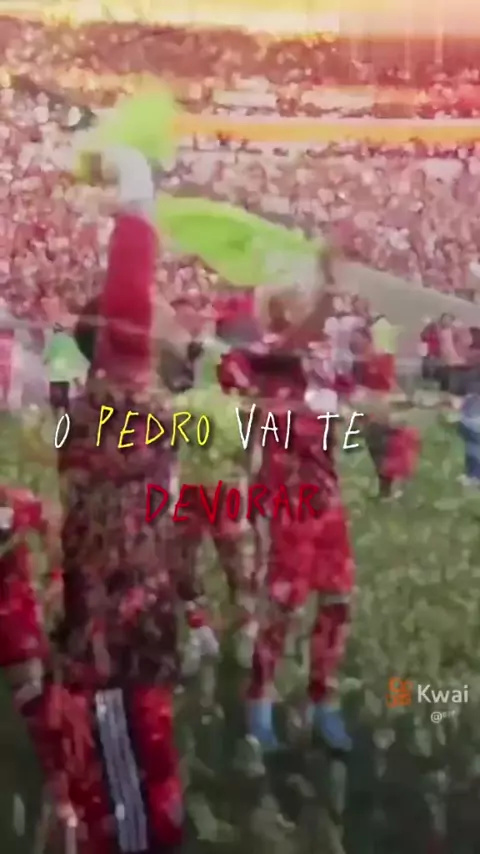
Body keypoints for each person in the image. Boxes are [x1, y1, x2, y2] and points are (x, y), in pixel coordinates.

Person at [19, 145, 201, 854]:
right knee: (128, 810)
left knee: (143, 790)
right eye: (160, 312)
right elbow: (129, 282)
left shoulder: (118, 409)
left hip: (130, 636)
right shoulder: (115, 399)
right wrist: (134, 177)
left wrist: (190, 607)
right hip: (114, 652)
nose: (174, 318)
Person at [218, 262, 354, 756]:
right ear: (281, 311)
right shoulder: (266, 355)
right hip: (287, 502)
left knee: (338, 600)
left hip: (326, 497)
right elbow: (288, 346)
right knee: (283, 606)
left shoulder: (316, 365)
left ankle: (323, 700)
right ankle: (260, 703)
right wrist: (330, 288)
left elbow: (349, 408)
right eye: (300, 300)